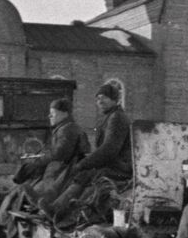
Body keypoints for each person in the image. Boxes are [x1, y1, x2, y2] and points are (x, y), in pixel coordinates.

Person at [49, 81, 132, 223]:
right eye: (98, 98)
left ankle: (68, 213)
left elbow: (109, 150)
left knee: (87, 173)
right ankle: (59, 208)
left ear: (115, 99)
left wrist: (85, 163)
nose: (100, 101)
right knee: (82, 171)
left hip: (120, 167)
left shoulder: (117, 117)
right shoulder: (110, 116)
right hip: (114, 163)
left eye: (104, 97)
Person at [4, 98, 89, 218]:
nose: (50, 116)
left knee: (41, 174)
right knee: (34, 167)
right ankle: (27, 193)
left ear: (65, 114)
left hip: (69, 166)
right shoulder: (64, 127)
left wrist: (40, 158)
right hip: (65, 165)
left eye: (53, 114)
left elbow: (60, 153)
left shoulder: (67, 129)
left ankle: (38, 198)